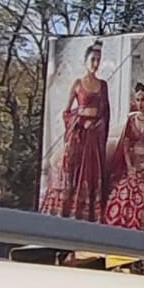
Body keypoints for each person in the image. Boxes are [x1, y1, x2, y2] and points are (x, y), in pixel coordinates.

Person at [41, 39, 110, 222]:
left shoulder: (103, 85)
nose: (96, 63)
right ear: (85, 61)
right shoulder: (78, 84)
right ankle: (70, 209)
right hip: (79, 134)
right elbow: (66, 112)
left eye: (98, 60)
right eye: (93, 59)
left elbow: (105, 112)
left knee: (91, 173)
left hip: (94, 136)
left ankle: (90, 212)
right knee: (73, 169)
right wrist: (79, 122)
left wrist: (98, 125)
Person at [103, 83, 144, 231]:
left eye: (143, 100)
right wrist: (130, 166)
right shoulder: (131, 120)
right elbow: (126, 146)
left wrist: (143, 165)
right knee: (124, 188)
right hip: (132, 163)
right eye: (138, 100)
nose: (140, 104)